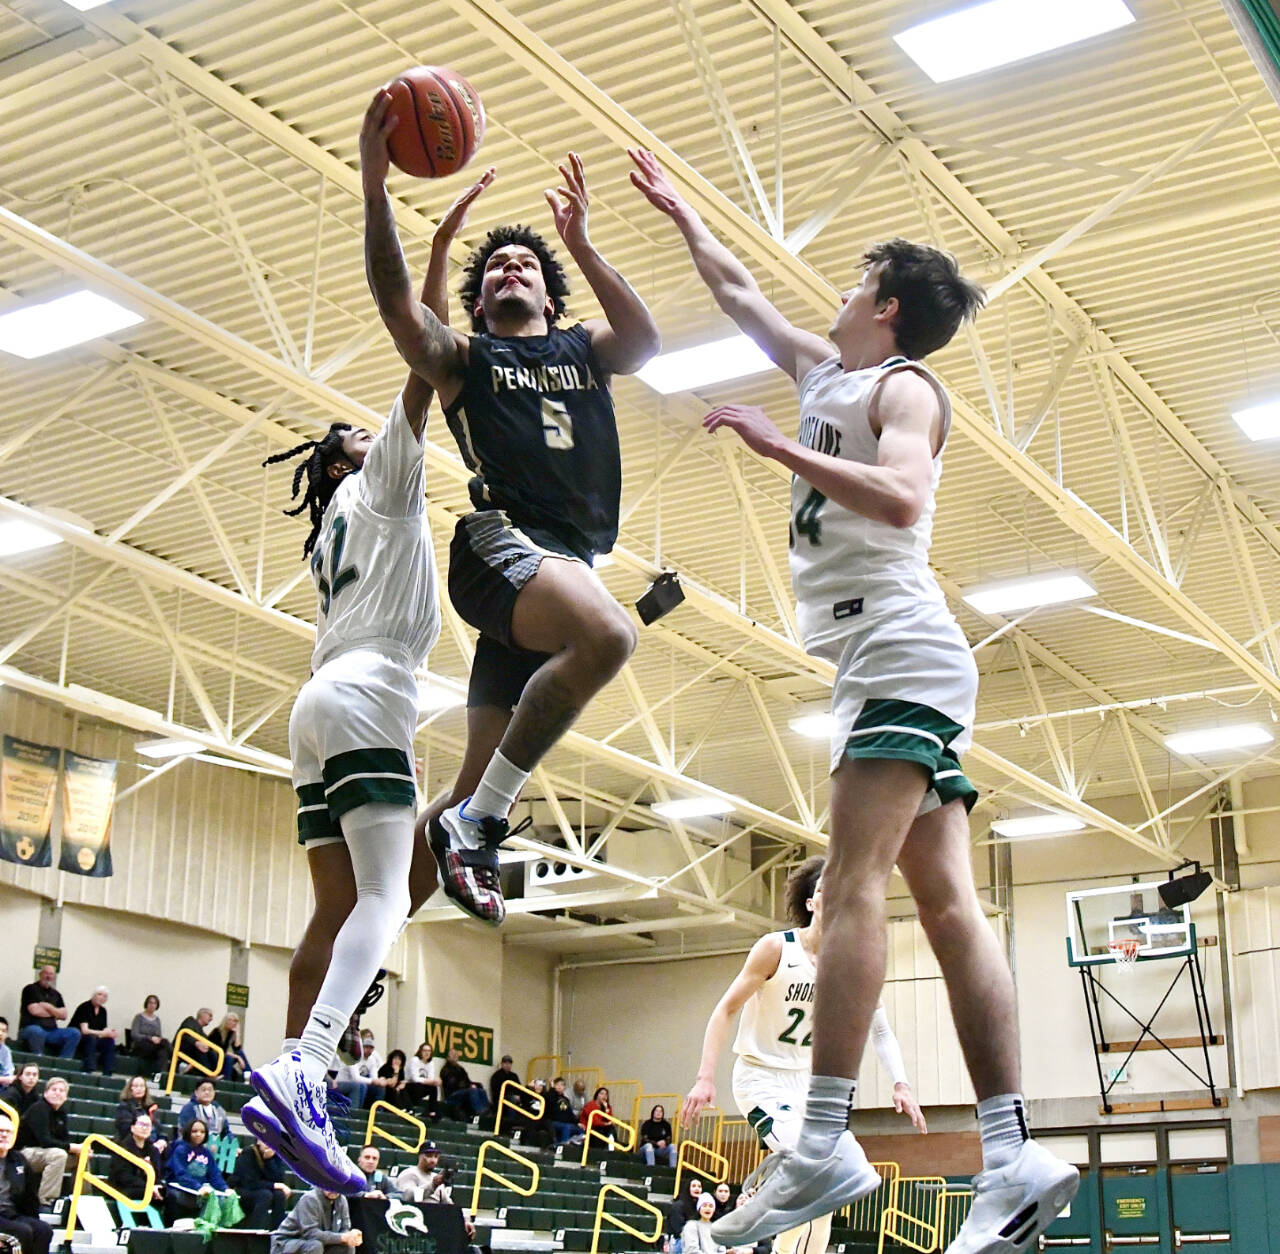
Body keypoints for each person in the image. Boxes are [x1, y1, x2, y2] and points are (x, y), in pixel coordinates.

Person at [631, 148, 1078, 1254]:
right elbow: (739, 295)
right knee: (945, 904)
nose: (828, 294)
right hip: (884, 660)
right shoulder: (823, 371)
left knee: (845, 891)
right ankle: (1010, 1151)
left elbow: (902, 495)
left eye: (850, 281)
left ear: (882, 307)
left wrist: (776, 446)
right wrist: (680, 213)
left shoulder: (899, 387)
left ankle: (823, 1137)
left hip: (895, 645)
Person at [359, 92, 660, 930]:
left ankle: (363, 954)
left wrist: (583, 246)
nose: (510, 269)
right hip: (503, 546)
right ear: (480, 302)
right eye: (496, 269)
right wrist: (376, 187)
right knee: (608, 637)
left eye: (526, 264)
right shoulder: (468, 360)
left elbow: (645, 343)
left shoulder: (586, 350)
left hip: (565, 561)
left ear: (553, 300)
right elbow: (400, 313)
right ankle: (483, 824)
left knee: (466, 781)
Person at [243, 110, 444, 1193]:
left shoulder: (326, 524)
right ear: (346, 461)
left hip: (313, 704)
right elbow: (423, 358)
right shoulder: (382, 483)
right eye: (352, 434)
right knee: (386, 898)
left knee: (333, 907)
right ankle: (309, 1067)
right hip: (370, 697)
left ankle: (284, 1067)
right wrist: (442, 247)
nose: (365, 430)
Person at [682, 860, 925, 1254]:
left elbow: (879, 1028)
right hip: (760, 1078)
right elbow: (725, 1009)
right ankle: (763, 1196)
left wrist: (901, 1083)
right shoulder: (776, 948)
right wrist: (705, 1077)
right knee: (815, 1165)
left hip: (809, 1088)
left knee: (826, 1195)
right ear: (813, 902)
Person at [15, 1077, 80, 1207]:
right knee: (58, 1155)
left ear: (66, 1096)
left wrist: (79, 1150)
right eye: (54, 1089)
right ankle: (46, 1200)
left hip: (44, 1153)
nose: (57, 1093)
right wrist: (71, 1147)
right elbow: (45, 1141)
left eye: (61, 1091)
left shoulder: (61, 1112)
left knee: (81, 1157)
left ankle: (82, 1199)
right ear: (45, 1093)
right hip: (24, 1153)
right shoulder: (39, 1108)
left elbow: (64, 1139)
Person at [0, 1111, 51, 1254]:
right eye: (0, 1131)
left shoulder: (18, 1159)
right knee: (23, 1232)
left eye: (8, 1132)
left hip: (10, 1214)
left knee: (43, 1230)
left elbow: (30, 1197)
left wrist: (34, 1219)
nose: (4, 1135)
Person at [164, 1119, 232, 1225]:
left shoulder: (207, 1153)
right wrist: (198, 1187)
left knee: (221, 1200)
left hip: (200, 1190)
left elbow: (214, 1175)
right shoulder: (181, 1150)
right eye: (194, 1131)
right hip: (179, 1188)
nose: (198, 1134)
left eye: (202, 1132)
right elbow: (181, 1174)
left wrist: (225, 1188)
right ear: (188, 1132)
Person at [270, 1186, 362, 1254]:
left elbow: (345, 1228)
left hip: (320, 1243)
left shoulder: (342, 1200)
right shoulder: (310, 1199)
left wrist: (350, 1237)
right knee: (314, 1246)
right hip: (286, 1242)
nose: (333, 1189)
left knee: (348, 1246)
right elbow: (311, 1234)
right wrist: (343, 1237)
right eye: (329, 1184)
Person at [17, 968, 79, 1061]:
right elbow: (34, 1011)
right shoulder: (30, 989)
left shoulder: (56, 994)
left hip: (52, 1031)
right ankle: (40, 1062)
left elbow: (64, 1015)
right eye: (46, 973)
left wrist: (48, 1007)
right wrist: (55, 1013)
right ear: (40, 974)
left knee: (74, 1033)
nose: (48, 976)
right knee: (37, 1031)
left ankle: (63, 1063)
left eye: (51, 974)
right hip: (30, 1028)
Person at [230, 1139, 292, 1229]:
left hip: (262, 1188)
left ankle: (278, 1231)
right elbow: (249, 1183)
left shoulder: (276, 1155)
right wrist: (275, 1185)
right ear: (258, 1141)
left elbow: (278, 1179)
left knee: (279, 1195)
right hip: (242, 1189)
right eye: (264, 1141)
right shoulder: (248, 1153)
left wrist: (269, 1160)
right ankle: (256, 1231)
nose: (268, 1145)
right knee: (265, 1195)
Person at [107, 1112, 164, 1209]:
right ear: (132, 1127)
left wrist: (158, 1186)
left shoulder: (153, 1150)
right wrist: (149, 1187)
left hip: (146, 1187)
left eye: (148, 1125)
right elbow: (123, 1177)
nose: (144, 1128)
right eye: (141, 1124)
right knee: (148, 1193)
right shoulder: (122, 1148)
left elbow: (157, 1175)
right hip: (124, 1188)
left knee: (168, 1194)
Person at [70, 987, 117, 1077]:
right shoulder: (84, 1007)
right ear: (93, 995)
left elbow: (103, 1029)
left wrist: (109, 1033)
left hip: (95, 1038)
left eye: (104, 996)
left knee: (109, 1041)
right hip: (80, 1038)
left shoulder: (103, 1011)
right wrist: (102, 1033)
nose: (102, 997)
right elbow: (85, 1030)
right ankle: (88, 1069)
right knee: (91, 1039)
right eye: (99, 994)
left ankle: (108, 1072)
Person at [115, 1075, 168, 1154]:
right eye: (136, 1086)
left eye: (142, 1086)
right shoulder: (124, 1107)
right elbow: (126, 1131)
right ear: (130, 1089)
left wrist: (162, 1140)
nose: (139, 1088)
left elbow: (159, 1128)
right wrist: (151, 1145)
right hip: (133, 1146)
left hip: (152, 1145)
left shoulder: (150, 1107)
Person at [439, 1050, 488, 1121]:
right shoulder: (445, 1070)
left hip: (463, 1092)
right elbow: (452, 1085)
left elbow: (468, 1081)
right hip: (452, 1095)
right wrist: (468, 1086)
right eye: (452, 1054)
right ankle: (479, 1111)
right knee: (472, 1091)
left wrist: (476, 1085)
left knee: (481, 1091)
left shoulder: (460, 1069)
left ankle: (486, 1111)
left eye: (456, 1054)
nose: (455, 1056)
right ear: (448, 1057)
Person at [130, 996, 172, 1076]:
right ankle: (174, 1055)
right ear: (146, 1003)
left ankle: (159, 1077)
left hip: (154, 1046)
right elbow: (134, 1034)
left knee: (163, 1051)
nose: (152, 1005)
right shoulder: (139, 1017)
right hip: (141, 1044)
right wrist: (150, 1038)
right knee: (164, 1046)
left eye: (154, 1003)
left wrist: (157, 1039)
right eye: (150, 1002)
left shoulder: (157, 1020)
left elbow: (159, 1035)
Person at [208, 1014, 250, 1081]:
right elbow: (220, 1050)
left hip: (222, 1056)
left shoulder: (230, 1033)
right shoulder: (217, 1031)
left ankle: (250, 1077)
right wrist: (237, 1057)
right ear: (225, 1021)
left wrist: (237, 1034)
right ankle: (227, 1081)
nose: (232, 1022)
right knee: (229, 1058)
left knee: (240, 1053)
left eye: (235, 1021)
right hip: (214, 1057)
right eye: (230, 1020)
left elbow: (237, 1048)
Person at [403, 1044, 439, 1116]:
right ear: (420, 1051)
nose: (427, 1053)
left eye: (429, 1051)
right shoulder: (415, 1060)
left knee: (433, 1088)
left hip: (421, 1086)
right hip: (409, 1086)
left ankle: (432, 1111)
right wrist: (430, 1081)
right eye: (424, 1051)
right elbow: (415, 1078)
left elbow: (431, 1078)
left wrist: (435, 1082)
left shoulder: (431, 1063)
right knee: (419, 1085)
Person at [544, 1078, 579, 1147]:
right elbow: (549, 1101)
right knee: (567, 1127)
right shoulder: (549, 1095)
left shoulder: (566, 1100)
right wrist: (552, 1089)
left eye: (562, 1085)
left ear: (565, 1087)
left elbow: (570, 1114)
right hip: (553, 1122)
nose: (559, 1086)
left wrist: (578, 1123)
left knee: (581, 1130)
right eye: (557, 1085)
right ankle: (562, 1147)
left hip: (565, 1122)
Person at [637, 1104, 675, 1168]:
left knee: (672, 1146)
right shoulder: (647, 1124)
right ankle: (651, 1168)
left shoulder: (666, 1125)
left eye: (660, 1111)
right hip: (647, 1149)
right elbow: (644, 1139)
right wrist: (656, 1144)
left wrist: (665, 1142)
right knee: (649, 1146)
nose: (658, 1113)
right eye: (656, 1111)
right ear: (653, 1112)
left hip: (660, 1149)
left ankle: (673, 1169)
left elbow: (669, 1138)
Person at [0, 1019, 14, 1088]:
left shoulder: (6, 1051)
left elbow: (9, 1073)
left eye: (3, 1031)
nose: (0, 1034)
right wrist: (4, 1079)